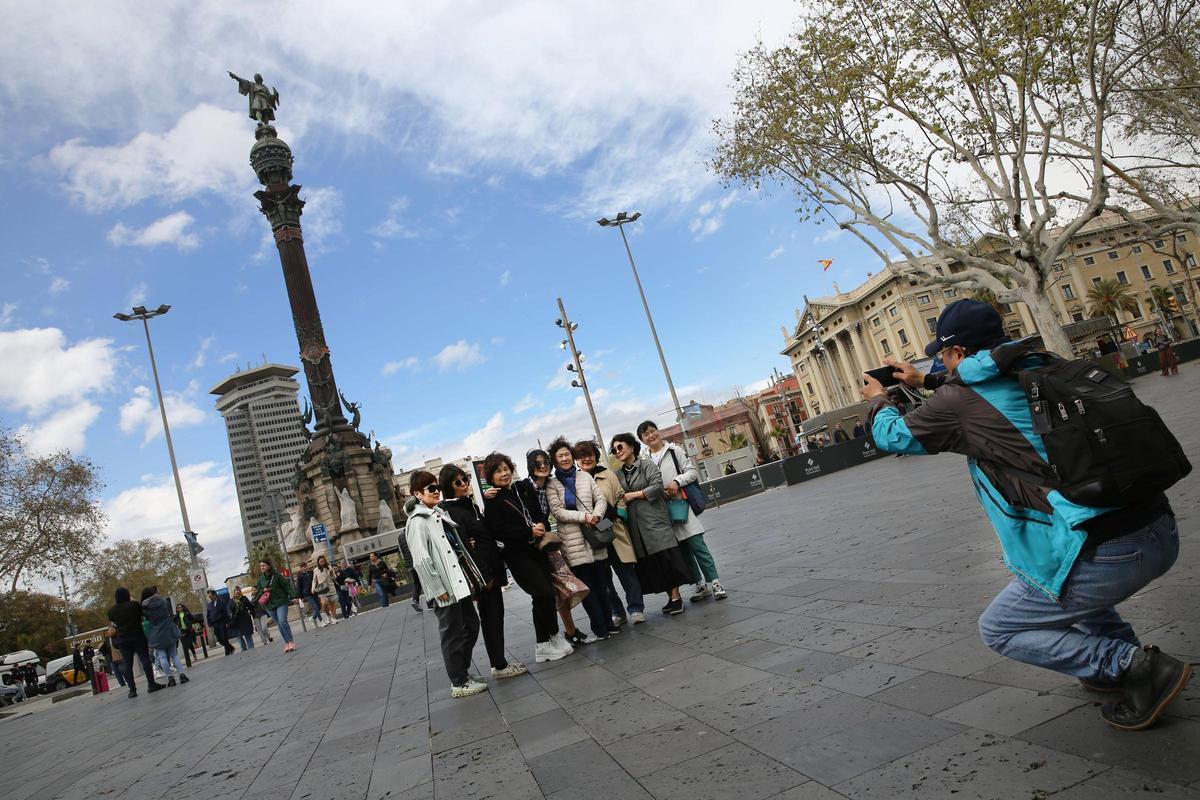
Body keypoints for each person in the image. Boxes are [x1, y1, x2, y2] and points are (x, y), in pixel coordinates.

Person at [864, 298, 1190, 731]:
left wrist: (878, 399)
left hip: (1103, 553)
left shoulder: (957, 400)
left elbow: (893, 436)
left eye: (943, 353)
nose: (941, 362)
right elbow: (985, 385)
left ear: (958, 353)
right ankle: (1117, 665)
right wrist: (925, 379)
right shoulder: (1040, 363)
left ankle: (1134, 666)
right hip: (1157, 528)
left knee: (1000, 629)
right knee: (1053, 583)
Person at [439, 464, 526, 679]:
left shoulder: (470, 505)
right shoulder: (452, 511)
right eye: (458, 482)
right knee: (490, 620)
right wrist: (483, 576)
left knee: (494, 618)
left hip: (492, 570)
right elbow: (466, 549)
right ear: (449, 487)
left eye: (466, 479)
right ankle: (496, 666)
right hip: (483, 576)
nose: (465, 484)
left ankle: (496, 664)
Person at [482, 451, 571, 662]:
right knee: (542, 593)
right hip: (517, 556)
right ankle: (548, 639)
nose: (503, 474)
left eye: (506, 469)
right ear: (490, 476)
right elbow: (498, 530)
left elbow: (538, 513)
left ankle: (548, 640)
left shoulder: (522, 488)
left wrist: (542, 525)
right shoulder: (493, 499)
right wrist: (528, 532)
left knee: (545, 594)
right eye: (498, 471)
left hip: (538, 550)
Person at [406, 470, 488, 698]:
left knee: (470, 626)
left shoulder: (438, 515)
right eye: (430, 488)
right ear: (417, 494)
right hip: (444, 588)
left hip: (458, 583)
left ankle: (463, 673)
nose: (436, 491)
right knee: (451, 633)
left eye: (436, 487)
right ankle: (458, 682)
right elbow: (421, 559)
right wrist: (437, 589)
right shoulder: (417, 522)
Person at [637, 421, 727, 602]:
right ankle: (699, 584)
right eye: (646, 434)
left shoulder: (674, 450)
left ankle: (715, 582)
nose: (651, 436)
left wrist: (677, 482)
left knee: (698, 545)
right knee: (682, 551)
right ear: (642, 439)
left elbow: (692, 472)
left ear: (658, 431)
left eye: (653, 431)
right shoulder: (643, 459)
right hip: (662, 512)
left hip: (681, 505)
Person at [545, 437, 620, 642]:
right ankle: (599, 628)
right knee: (588, 588)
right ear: (555, 460)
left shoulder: (585, 477)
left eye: (567, 454)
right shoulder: (552, 484)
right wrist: (583, 517)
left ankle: (610, 623)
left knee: (603, 584)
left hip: (595, 537)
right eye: (560, 456)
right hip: (573, 541)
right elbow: (557, 511)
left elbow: (601, 499)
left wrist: (595, 515)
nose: (564, 458)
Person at [610, 433, 692, 615]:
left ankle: (676, 597)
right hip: (636, 527)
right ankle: (671, 598)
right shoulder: (618, 474)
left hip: (655, 520)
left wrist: (634, 495)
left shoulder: (646, 464)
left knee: (667, 559)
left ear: (631, 446)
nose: (617, 451)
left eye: (620, 447)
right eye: (614, 450)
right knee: (654, 564)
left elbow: (657, 486)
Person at [576, 439, 645, 625]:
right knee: (604, 580)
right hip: (594, 536)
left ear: (596, 456)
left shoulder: (608, 475)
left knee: (626, 573)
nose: (586, 459)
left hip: (613, 530)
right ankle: (617, 611)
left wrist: (619, 515)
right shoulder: (575, 481)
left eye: (589, 455)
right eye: (582, 456)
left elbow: (620, 497)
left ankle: (636, 608)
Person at [107, 587, 162, 697]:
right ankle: (151, 684)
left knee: (127, 664)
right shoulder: (134, 605)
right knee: (145, 660)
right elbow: (142, 613)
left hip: (123, 639)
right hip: (138, 636)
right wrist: (133, 601)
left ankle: (132, 690)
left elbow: (112, 619)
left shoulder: (112, 610)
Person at [141, 586, 189, 686]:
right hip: (168, 630)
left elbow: (147, 618)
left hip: (156, 632)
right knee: (174, 655)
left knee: (162, 657)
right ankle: (182, 675)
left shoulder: (145, 607)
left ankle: (170, 678)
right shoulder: (163, 602)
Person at [254, 559, 297, 652]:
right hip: (269, 604)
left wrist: (294, 596)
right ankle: (287, 643)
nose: (262, 567)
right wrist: (263, 590)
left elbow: (287, 586)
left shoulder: (277, 575)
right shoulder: (261, 579)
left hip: (281, 601)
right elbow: (257, 592)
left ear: (269, 566)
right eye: (261, 566)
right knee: (279, 624)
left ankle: (291, 641)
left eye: (264, 565)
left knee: (282, 621)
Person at [311, 555, 341, 626]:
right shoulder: (315, 570)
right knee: (324, 603)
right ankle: (328, 616)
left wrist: (331, 574)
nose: (322, 562)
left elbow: (334, 577)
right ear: (318, 562)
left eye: (323, 561)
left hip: (330, 588)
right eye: (321, 561)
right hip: (322, 589)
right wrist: (312, 588)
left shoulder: (329, 567)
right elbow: (314, 580)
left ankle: (333, 618)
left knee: (332, 603)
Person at [205, 589, 236, 656]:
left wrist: (227, 622)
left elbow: (226, 613)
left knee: (224, 637)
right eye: (209, 597)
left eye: (211, 596)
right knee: (219, 639)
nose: (210, 598)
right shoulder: (209, 605)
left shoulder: (221, 602)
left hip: (222, 622)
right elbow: (208, 615)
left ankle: (227, 653)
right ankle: (230, 648)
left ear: (215, 595)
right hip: (214, 624)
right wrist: (209, 623)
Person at [296, 561, 324, 626]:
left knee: (319, 606)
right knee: (315, 607)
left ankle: (313, 618)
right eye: (304, 567)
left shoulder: (311, 572)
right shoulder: (300, 576)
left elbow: (315, 581)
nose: (306, 568)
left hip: (314, 592)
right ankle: (321, 621)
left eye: (306, 566)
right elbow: (299, 586)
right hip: (307, 594)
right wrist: (300, 596)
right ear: (301, 568)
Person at [175, 602, 197, 667]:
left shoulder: (186, 613)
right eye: (178, 608)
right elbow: (174, 622)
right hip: (181, 631)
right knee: (185, 645)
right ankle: (188, 659)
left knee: (190, 643)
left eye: (181, 607)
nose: (180, 608)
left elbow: (192, 618)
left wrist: (190, 625)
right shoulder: (176, 616)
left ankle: (194, 654)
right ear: (177, 609)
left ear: (183, 607)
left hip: (188, 630)